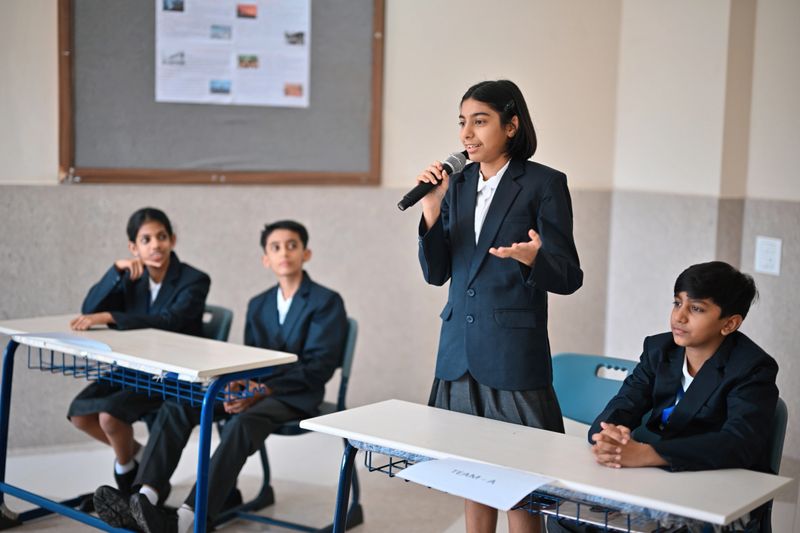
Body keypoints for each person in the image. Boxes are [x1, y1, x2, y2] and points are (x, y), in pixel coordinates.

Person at [92, 220, 348, 533]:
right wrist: (238, 384)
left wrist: (262, 389)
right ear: (265, 259)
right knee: (179, 404)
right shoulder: (259, 304)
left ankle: (188, 518)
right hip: (253, 388)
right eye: (275, 247)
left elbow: (319, 367)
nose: (284, 253)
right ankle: (145, 498)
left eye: (292, 245)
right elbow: (252, 357)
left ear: (306, 253)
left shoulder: (327, 301)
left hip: (295, 395)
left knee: (241, 423)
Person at [416, 80, 583, 533]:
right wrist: (432, 208)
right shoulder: (457, 183)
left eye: (480, 121)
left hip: (512, 353)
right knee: (471, 474)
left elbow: (568, 276)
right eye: (462, 122)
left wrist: (536, 259)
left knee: (520, 481)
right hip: (458, 351)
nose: (467, 133)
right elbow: (437, 274)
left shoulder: (544, 183)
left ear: (511, 125)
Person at [551, 261, 779, 532]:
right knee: (565, 516)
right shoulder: (659, 349)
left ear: (729, 324)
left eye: (696, 308)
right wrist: (608, 436)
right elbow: (625, 402)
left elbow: (738, 443)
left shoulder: (752, 367)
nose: (679, 317)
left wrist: (648, 454)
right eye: (677, 303)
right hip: (659, 482)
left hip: (718, 490)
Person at [67, 207, 210, 502]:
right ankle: (141, 461)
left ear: (172, 239)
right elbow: (89, 310)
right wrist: (115, 272)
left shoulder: (194, 280)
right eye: (146, 239)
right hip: (135, 370)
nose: (155, 245)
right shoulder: (132, 278)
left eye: (161, 237)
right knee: (80, 414)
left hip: (174, 375)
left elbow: (171, 320)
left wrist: (113, 317)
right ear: (134, 247)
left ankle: (127, 474)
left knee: (109, 418)